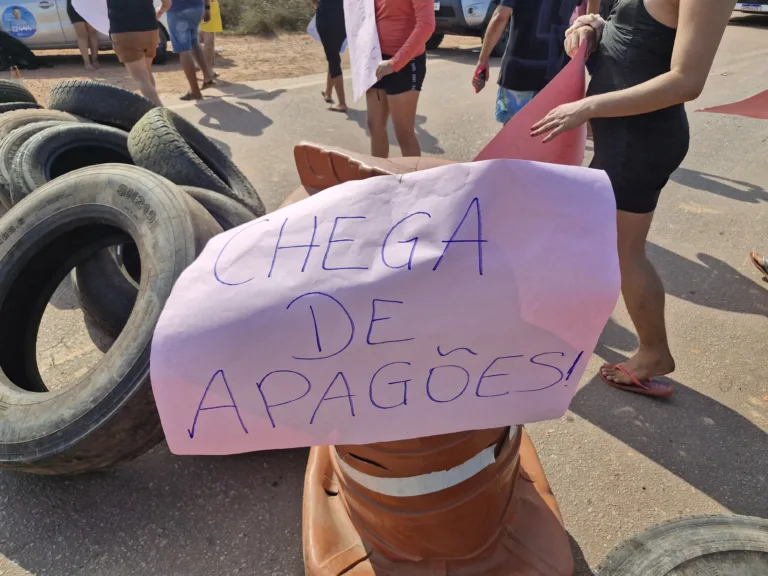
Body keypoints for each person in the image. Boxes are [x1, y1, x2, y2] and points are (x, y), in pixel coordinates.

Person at [531, 0, 737, 397]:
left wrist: (588, 106)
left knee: (625, 251)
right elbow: (636, 37)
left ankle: (654, 353)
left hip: (640, 141)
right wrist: (593, 26)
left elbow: (686, 80)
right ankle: (565, 319)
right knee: (592, 237)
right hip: (620, 134)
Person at [473, 0, 582, 124]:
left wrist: (483, 60)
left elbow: (500, 17)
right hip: (557, 71)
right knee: (548, 134)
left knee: (514, 134)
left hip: (519, 71)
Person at [367, 0, 435, 158]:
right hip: (376, 58)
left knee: (403, 132)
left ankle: (415, 181)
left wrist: (395, 63)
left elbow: (426, 25)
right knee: (374, 126)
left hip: (406, 61)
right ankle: (378, 179)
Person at [107, 0, 169, 106]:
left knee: (141, 78)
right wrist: (160, 12)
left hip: (123, 30)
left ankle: (161, 113)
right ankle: (155, 110)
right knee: (146, 73)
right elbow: (167, 3)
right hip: (150, 29)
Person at [167, 0, 216, 101]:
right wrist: (207, 8)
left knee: (184, 51)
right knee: (194, 43)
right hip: (197, 8)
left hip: (178, 10)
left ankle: (195, 91)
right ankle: (208, 77)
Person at [312, 0, 347, 112]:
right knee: (333, 54)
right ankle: (328, 92)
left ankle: (342, 103)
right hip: (343, 17)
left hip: (326, 17)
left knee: (333, 58)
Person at [67, 0, 99, 70]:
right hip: (74, 6)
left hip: (90, 5)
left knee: (92, 33)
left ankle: (94, 60)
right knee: (82, 34)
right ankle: (87, 62)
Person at [199, 0, 223, 79]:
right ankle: (208, 71)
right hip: (207, 6)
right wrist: (207, 8)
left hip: (202, 6)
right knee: (209, 41)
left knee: (200, 38)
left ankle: (202, 66)